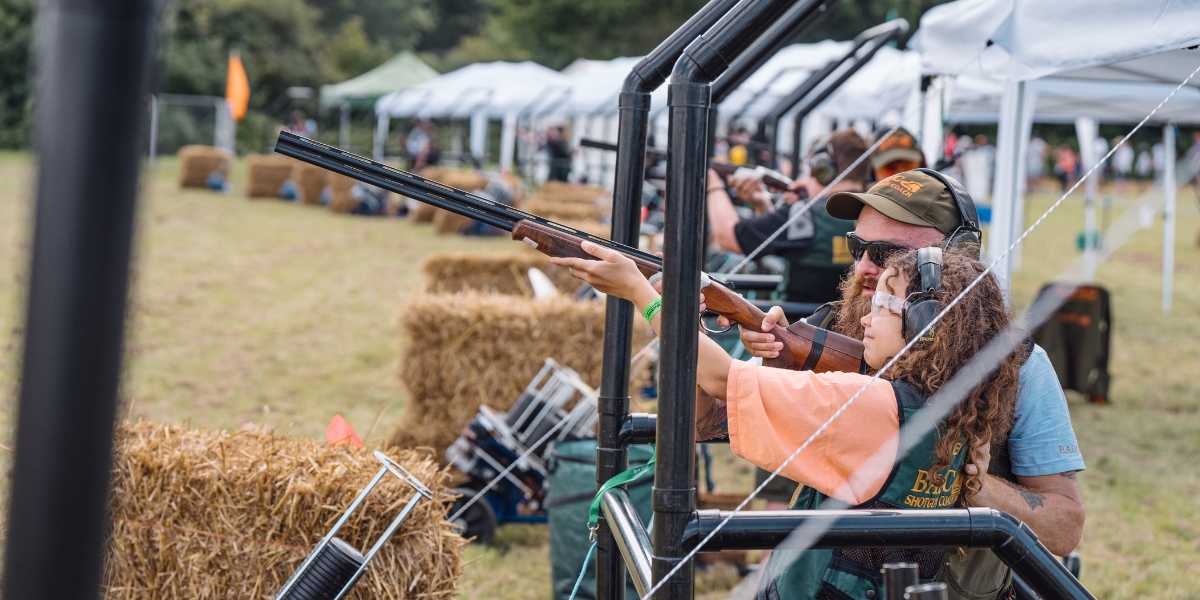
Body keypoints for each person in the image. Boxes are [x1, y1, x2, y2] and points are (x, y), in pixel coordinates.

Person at [551, 236, 1032, 599]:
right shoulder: (947, 409)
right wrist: (693, 326)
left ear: (926, 327)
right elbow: (708, 400)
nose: (866, 316)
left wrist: (642, 294)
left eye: (884, 305)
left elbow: (721, 379)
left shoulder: (875, 405)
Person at [726, 171, 1085, 595]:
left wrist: (975, 487)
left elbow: (1064, 527)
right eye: (857, 247)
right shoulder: (825, 331)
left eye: (886, 253)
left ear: (954, 260)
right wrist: (772, 365)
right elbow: (706, 422)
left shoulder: (1017, 364)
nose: (863, 268)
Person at [706, 129, 867, 305]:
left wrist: (713, 184)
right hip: (849, 329)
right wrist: (763, 204)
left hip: (795, 327)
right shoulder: (874, 212)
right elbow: (775, 240)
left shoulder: (805, 215)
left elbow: (728, 237)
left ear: (823, 170)